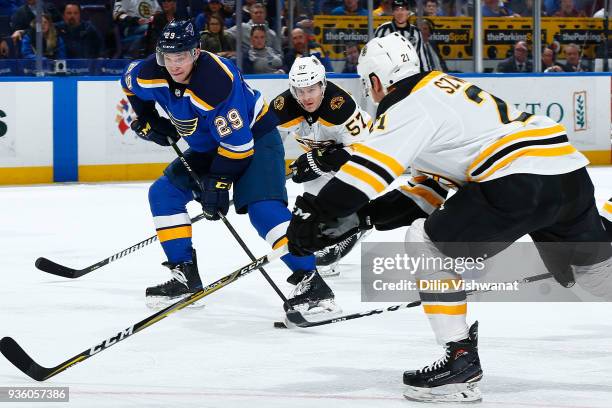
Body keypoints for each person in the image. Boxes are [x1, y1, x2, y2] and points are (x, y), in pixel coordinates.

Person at [285, 32, 612, 402]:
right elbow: (428, 189)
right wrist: (366, 219)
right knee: (599, 278)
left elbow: (368, 172)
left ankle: (460, 362)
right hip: (568, 176)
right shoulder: (445, 89)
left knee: (426, 244)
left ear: (375, 81)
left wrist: (314, 218)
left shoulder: (407, 104)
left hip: (516, 183)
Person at [121, 20, 339, 317]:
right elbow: (128, 83)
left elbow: (239, 146)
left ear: (195, 52)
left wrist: (219, 184)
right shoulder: (149, 72)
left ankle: (312, 282)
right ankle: (184, 275)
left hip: (256, 139)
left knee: (263, 211)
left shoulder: (216, 82)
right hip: (208, 146)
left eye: (181, 57)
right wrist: (144, 119)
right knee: (163, 194)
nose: (174, 65)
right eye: (168, 58)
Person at [271, 56, 372, 276]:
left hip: (358, 154)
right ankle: (333, 239)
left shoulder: (340, 105)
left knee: (338, 199)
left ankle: (356, 222)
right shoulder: (284, 107)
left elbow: (366, 151)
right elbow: (270, 145)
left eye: (311, 89)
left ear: (322, 85)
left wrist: (324, 160)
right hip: (323, 156)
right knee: (315, 207)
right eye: (300, 91)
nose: (306, 97)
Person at [374, 0, 432, 73]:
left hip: (411, 74)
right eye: (396, 10)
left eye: (403, 9)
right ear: (393, 13)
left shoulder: (416, 32)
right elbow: (375, 54)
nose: (400, 13)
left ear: (408, 12)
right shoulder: (382, 30)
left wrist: (427, 74)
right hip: (389, 76)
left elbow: (422, 56)